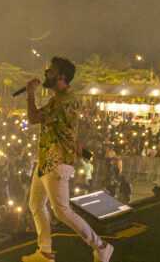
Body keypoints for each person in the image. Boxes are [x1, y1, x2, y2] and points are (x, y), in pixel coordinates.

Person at [21, 57, 114, 262]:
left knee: (62, 212)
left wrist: (30, 94)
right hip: (47, 159)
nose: (46, 72)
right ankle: (45, 252)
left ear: (61, 76)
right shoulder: (60, 98)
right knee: (36, 204)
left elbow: (33, 118)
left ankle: (101, 246)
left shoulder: (64, 101)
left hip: (56, 162)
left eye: (51, 71)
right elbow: (68, 129)